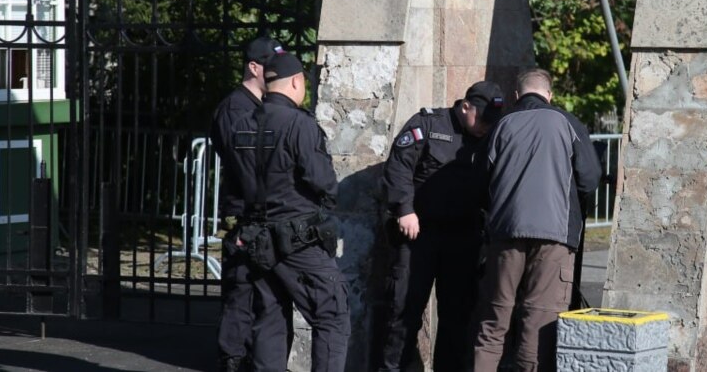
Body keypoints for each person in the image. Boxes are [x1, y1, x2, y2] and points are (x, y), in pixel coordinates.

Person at [215, 46, 350, 372]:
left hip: (256, 239)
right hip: (298, 240)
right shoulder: (299, 125)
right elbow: (324, 183)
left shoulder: (240, 124)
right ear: (294, 83)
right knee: (332, 315)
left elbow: (231, 184)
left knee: (270, 317)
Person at [472, 69, 602, 372]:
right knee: (539, 322)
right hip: (554, 236)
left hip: (505, 234)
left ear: (517, 95)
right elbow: (590, 179)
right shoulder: (567, 122)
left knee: (494, 321)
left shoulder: (502, 124)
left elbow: (479, 181)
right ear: (550, 94)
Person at [379, 81, 506, 372]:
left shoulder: (490, 136)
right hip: (419, 236)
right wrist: (404, 209)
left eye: (491, 121)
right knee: (404, 312)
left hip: (463, 238)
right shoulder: (428, 123)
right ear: (465, 107)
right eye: (482, 119)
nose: (486, 126)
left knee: (457, 317)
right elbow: (398, 167)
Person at [212, 36, 292, 372]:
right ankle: (235, 359)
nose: (276, 76)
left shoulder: (264, 108)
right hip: (245, 214)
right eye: (270, 68)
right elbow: (246, 164)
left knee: (267, 296)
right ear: (254, 67)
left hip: (266, 214)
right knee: (242, 293)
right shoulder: (236, 109)